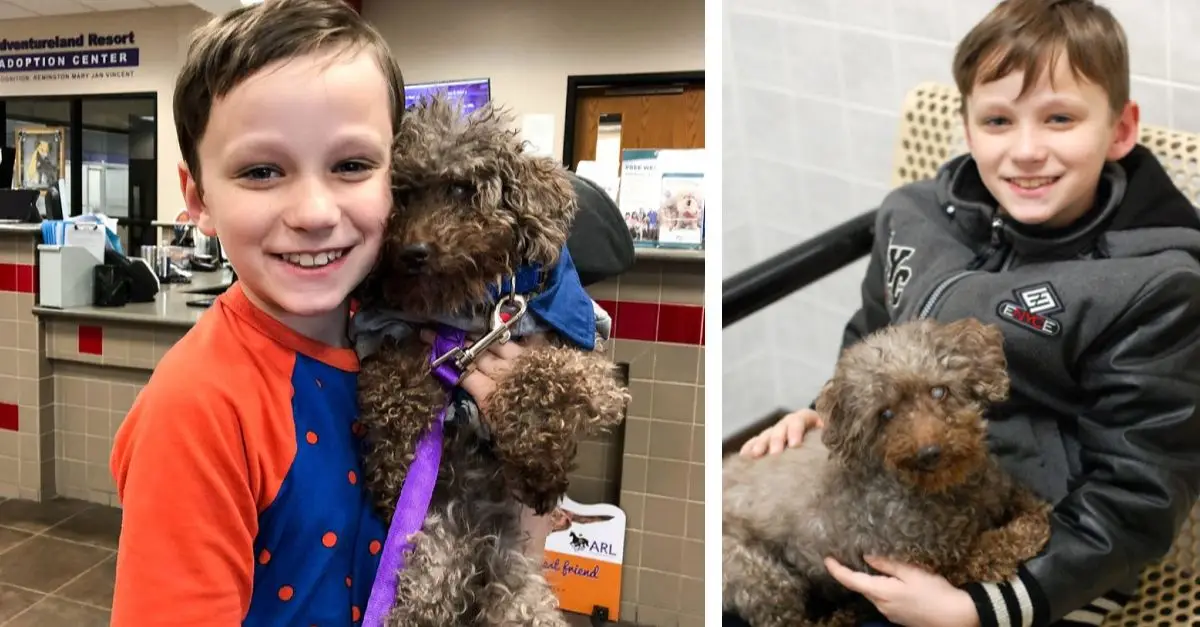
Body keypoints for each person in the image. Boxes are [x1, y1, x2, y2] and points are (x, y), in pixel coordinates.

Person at [108, 1, 633, 625]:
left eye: (352, 165)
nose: (314, 212)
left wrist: (518, 438)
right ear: (197, 198)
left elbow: (516, 536)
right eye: (261, 170)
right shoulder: (198, 409)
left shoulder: (410, 332)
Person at [735, 1, 1200, 626]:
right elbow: (865, 344)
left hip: (1043, 562)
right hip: (890, 510)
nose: (1027, 150)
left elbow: (1139, 496)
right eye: (999, 120)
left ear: (1119, 128)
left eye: (1060, 118)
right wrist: (823, 416)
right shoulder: (912, 215)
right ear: (967, 127)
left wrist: (977, 609)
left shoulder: (1157, 285)